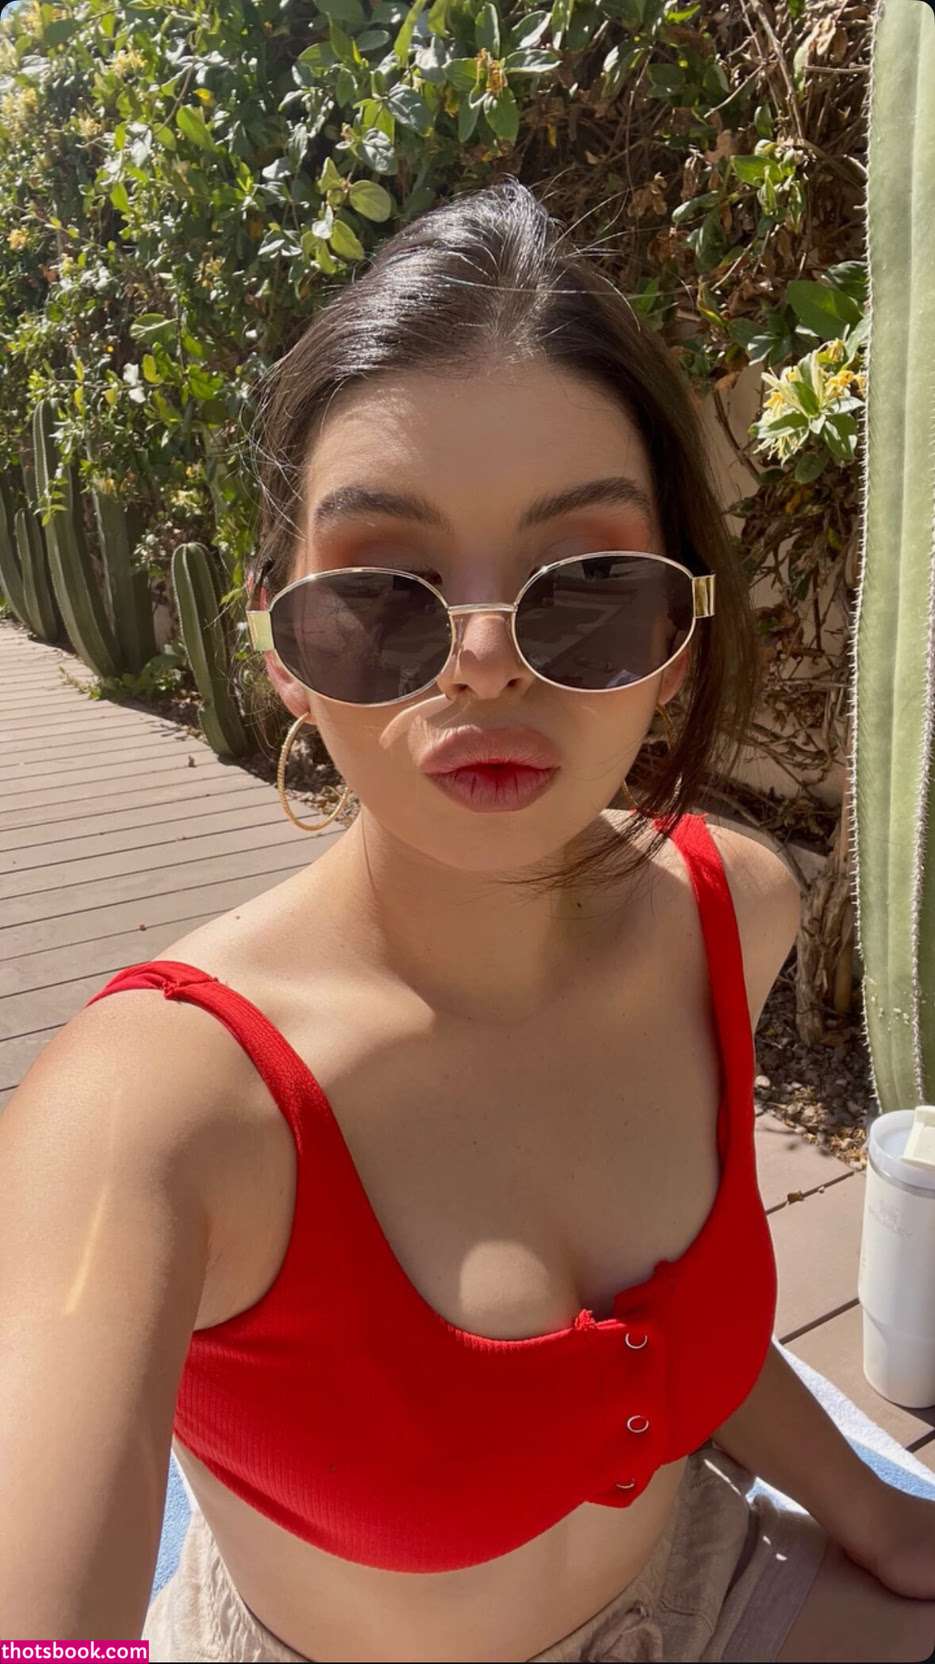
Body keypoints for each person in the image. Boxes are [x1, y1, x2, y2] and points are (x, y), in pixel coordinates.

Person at [4, 178, 934, 1664]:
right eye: (385, 592)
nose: (487, 659)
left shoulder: (732, 912)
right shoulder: (155, 1110)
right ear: (282, 649)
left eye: (588, 587)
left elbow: (667, 1345)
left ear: (677, 636)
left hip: (705, 1583)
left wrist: (874, 1511)